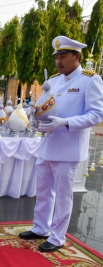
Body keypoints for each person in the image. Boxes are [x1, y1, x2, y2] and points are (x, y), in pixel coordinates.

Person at [19, 36, 103, 252]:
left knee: (63, 194)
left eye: (63, 57)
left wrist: (66, 122)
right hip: (47, 144)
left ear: (77, 56)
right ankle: (40, 227)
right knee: (44, 190)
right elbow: (44, 109)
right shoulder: (54, 81)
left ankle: (57, 237)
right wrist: (37, 119)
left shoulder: (89, 80)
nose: (58, 61)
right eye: (56, 57)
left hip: (68, 147)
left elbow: (96, 114)